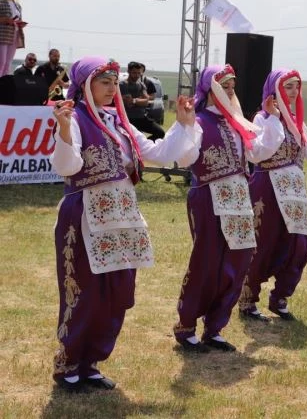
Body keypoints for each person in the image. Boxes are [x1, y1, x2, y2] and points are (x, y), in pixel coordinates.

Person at [50, 55, 197, 393]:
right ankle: (69, 363)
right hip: (85, 215)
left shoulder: (119, 121)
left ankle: (91, 362)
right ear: (86, 84)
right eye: (104, 82)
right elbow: (67, 167)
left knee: (117, 293)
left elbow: (160, 153)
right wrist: (63, 130)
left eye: (114, 83)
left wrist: (183, 124)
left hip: (122, 217)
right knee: (85, 291)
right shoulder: (75, 118)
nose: (111, 88)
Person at [173, 64, 275, 352]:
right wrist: (186, 126)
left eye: (232, 87)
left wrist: (274, 120)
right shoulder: (198, 120)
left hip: (239, 200)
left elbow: (259, 153)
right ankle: (186, 326)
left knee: (239, 259)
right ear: (210, 89)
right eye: (223, 86)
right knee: (207, 261)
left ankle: (215, 327)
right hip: (209, 197)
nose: (229, 92)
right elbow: (185, 158)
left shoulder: (237, 122)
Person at [239, 69, 307, 321]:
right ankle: (248, 298)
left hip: (295, 193)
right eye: (288, 86)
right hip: (269, 188)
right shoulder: (262, 119)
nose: (294, 91)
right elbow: (258, 154)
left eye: (297, 86)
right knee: (265, 243)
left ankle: (280, 297)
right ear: (275, 89)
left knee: (299, 246)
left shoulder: (298, 122)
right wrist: (275, 119)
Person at [119, 61, 165, 141]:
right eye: (134, 73)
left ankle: (145, 146)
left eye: (139, 73)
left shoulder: (141, 85)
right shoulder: (123, 85)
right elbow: (129, 103)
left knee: (160, 133)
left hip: (141, 118)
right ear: (128, 71)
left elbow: (146, 101)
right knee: (131, 140)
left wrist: (135, 100)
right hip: (128, 119)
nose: (137, 75)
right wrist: (140, 100)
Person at [0, 0, 26, 77]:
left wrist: (21, 23)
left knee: (8, 63)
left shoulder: (17, 5)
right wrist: (5, 19)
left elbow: (18, 18)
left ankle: (3, 83)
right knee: (1, 62)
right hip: (3, 35)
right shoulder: (1, 2)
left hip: (15, 35)